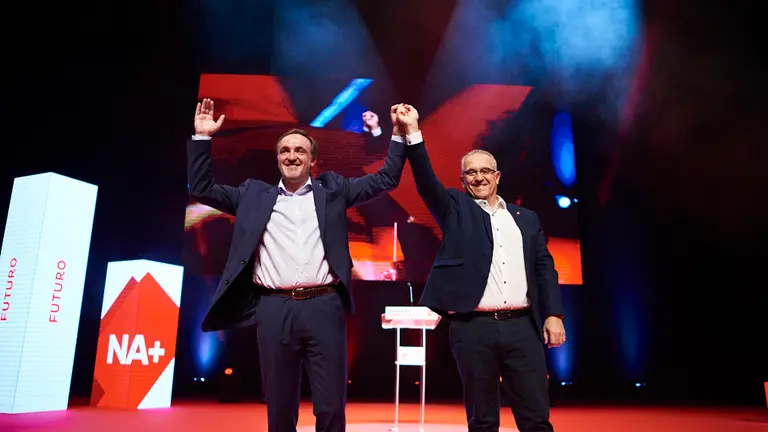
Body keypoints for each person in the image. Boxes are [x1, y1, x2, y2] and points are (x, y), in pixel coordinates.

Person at [187, 98, 409, 432]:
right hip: (274, 308)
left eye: (300, 151)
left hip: (323, 305)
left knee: (331, 405)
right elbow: (203, 188)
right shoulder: (252, 194)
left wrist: (397, 135)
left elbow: (386, 179)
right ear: (278, 158)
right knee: (279, 406)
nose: (292, 156)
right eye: (285, 150)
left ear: (312, 160)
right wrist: (203, 138)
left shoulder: (333, 190)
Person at [395, 104, 566, 432]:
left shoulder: (525, 218)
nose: (479, 177)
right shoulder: (455, 209)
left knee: (535, 418)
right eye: (471, 172)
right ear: (462, 180)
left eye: (486, 171)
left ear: (497, 176)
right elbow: (426, 181)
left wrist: (553, 314)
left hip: (522, 327)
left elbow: (545, 269)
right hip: (473, 329)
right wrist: (412, 132)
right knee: (483, 420)